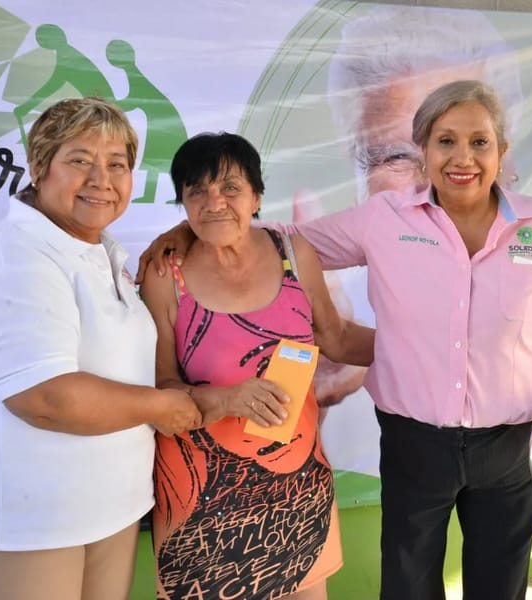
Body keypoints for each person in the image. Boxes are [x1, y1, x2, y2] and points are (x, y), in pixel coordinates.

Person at [141, 80, 532, 600]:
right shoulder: (384, 217)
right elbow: (276, 239)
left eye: (479, 142)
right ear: (423, 150)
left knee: (500, 586)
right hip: (413, 441)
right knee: (407, 586)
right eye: (445, 141)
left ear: (502, 150)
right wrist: (187, 231)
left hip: (512, 441)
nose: (462, 158)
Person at [0, 97, 201, 600]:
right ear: (39, 167)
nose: (102, 179)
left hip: (112, 507)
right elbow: (44, 396)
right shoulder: (18, 254)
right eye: (80, 160)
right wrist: (161, 407)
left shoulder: (100, 251)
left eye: (117, 164)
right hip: (35, 522)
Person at [138, 132, 374, 600]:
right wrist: (228, 399)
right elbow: (162, 389)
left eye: (230, 187)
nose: (214, 203)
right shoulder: (166, 276)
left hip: (298, 489)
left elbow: (336, 338)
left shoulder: (294, 255)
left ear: (257, 196)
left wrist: (428, 350)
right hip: (201, 501)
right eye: (197, 191)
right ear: (183, 202)